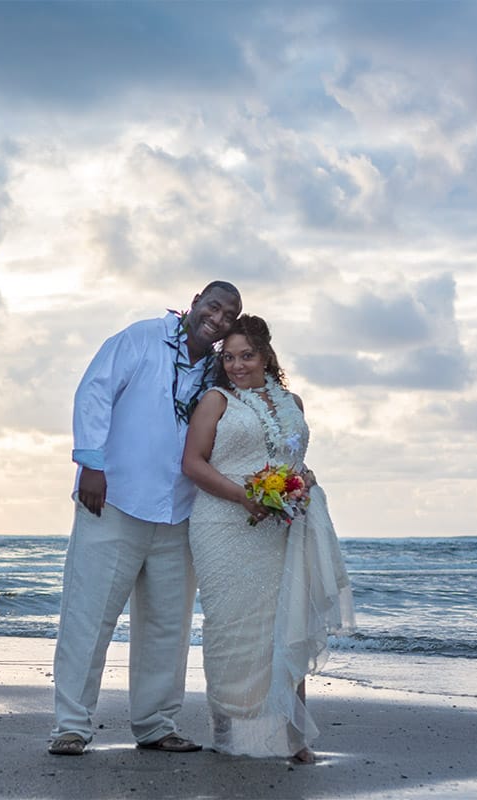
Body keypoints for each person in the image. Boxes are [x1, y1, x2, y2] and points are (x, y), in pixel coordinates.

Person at [48, 281, 243, 756]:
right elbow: (94, 391)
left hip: (180, 511)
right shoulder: (142, 338)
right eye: (213, 307)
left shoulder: (219, 370)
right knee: (88, 617)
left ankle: (156, 724)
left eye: (228, 315)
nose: (217, 319)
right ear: (195, 301)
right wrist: (91, 463)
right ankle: (72, 726)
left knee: (167, 628)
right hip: (112, 500)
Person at [182, 314, 354, 762]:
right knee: (231, 628)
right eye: (230, 357)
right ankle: (227, 731)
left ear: (266, 356)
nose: (237, 365)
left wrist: (303, 479)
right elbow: (193, 464)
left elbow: (292, 456)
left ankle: (294, 736)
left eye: (247, 355)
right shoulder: (216, 400)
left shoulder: (292, 399)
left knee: (287, 624)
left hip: (282, 526)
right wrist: (243, 496)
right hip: (223, 524)